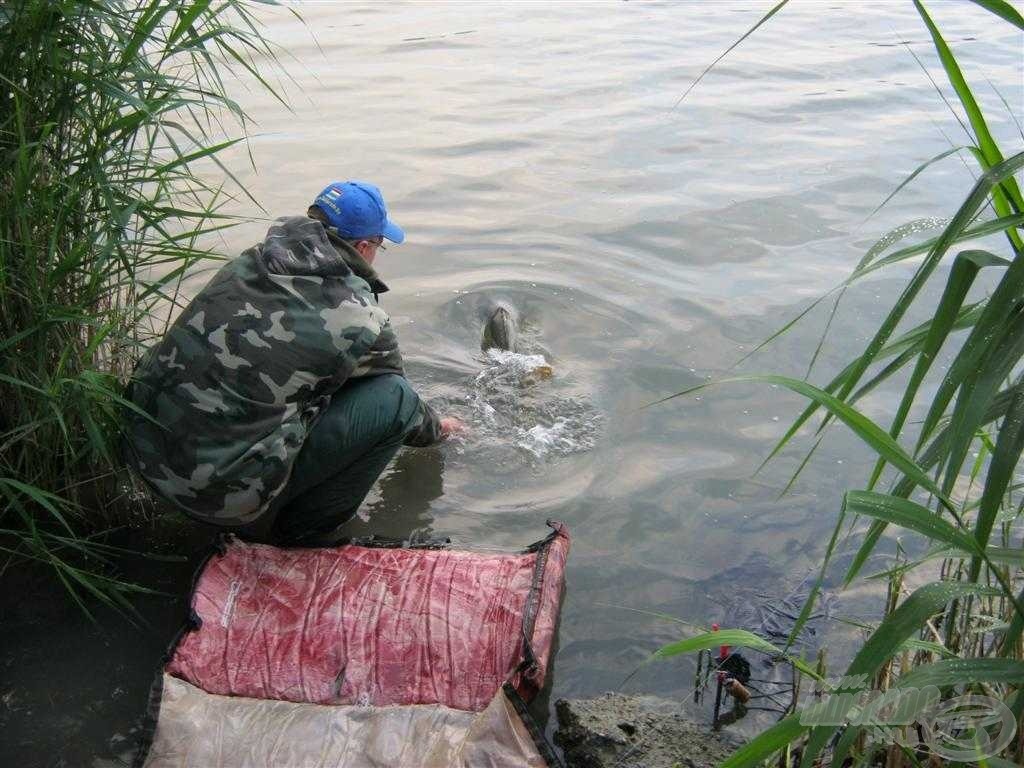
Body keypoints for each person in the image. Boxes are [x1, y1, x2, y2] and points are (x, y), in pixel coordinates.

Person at [123, 180, 462, 544]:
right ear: (364, 247)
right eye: (380, 245)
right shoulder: (359, 317)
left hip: (141, 452)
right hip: (215, 499)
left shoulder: (248, 262)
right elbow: (404, 410)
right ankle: (302, 534)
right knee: (395, 398)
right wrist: (442, 430)